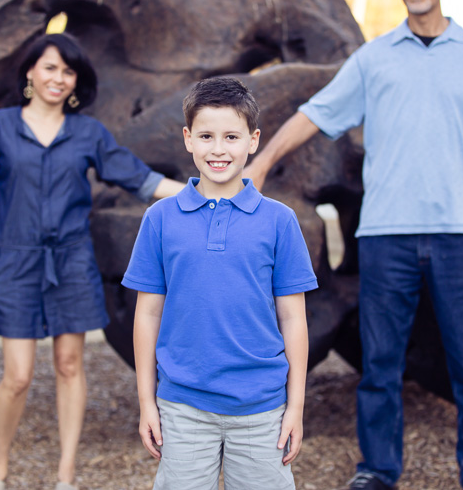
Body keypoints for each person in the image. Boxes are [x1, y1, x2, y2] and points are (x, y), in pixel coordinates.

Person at [245, 0, 463, 490]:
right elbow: (315, 114)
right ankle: (377, 469)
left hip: (462, 235)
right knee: (380, 367)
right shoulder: (375, 59)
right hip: (385, 235)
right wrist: (262, 163)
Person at [0, 32, 184, 490]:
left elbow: (139, 179)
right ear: (30, 71)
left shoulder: (88, 133)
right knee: (18, 376)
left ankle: (65, 476)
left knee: (69, 364)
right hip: (14, 263)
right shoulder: (0, 126)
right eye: (49, 68)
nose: (58, 79)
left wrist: (204, 191)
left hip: (71, 263)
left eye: (68, 72)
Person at [122, 77, 318, 490]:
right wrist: (147, 402)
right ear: (188, 139)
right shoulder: (160, 219)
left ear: (253, 140)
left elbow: (294, 319)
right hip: (183, 405)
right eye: (207, 136)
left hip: (262, 408)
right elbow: (147, 314)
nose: (218, 148)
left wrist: (295, 405)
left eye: (231, 136)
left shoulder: (279, 221)